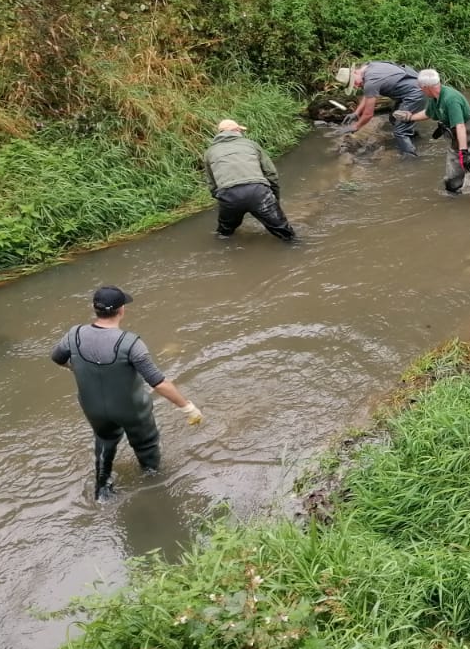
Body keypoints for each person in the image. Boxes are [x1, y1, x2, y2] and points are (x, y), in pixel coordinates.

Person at [51, 286, 202, 501]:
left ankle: (102, 489)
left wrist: (78, 368)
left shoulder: (74, 335)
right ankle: (154, 486)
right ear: (121, 310)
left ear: (95, 309)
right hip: (130, 409)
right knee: (146, 444)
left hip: (93, 408)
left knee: (104, 442)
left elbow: (57, 357)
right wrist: (188, 407)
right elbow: (158, 383)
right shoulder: (130, 343)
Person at [203, 119, 296, 240]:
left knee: (224, 234)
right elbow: (271, 173)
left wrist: (224, 199)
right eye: (241, 131)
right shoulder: (251, 144)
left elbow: (212, 184)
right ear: (236, 131)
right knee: (286, 234)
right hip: (258, 191)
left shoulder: (210, 152)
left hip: (229, 195)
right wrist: (274, 198)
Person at [336, 62, 429, 156]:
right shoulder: (370, 67)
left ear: (355, 73)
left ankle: (411, 159)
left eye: (354, 82)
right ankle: (414, 138)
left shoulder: (371, 81)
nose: (356, 86)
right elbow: (368, 95)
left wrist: (356, 126)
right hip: (414, 88)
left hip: (415, 94)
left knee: (400, 132)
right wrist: (356, 113)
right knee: (394, 118)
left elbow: (368, 114)